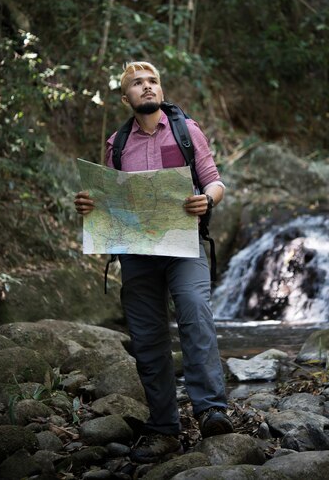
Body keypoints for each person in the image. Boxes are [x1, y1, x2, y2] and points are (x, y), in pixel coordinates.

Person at [74, 61, 233, 463]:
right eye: (137, 84)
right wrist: (90, 204)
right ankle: (164, 428)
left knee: (195, 311)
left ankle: (211, 410)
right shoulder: (118, 143)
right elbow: (110, 198)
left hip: (185, 246)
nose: (147, 88)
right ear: (125, 96)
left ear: (161, 91)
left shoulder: (185, 130)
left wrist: (207, 199)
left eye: (153, 82)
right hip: (137, 255)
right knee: (147, 338)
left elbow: (215, 180)